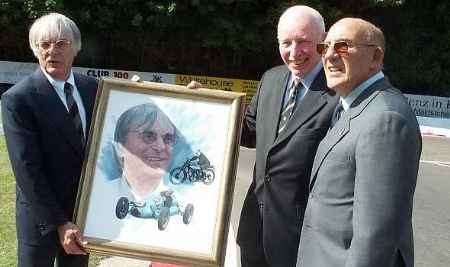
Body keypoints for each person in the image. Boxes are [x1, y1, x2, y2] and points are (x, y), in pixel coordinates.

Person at [188, 5, 339, 267]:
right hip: (254, 230)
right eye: (286, 42)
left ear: (323, 42)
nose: (294, 52)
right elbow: (248, 132)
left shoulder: (337, 93)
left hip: (301, 235)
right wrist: (206, 106)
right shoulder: (271, 78)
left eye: (303, 42)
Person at [296, 18, 422, 267]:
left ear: (375, 58)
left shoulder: (385, 119)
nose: (330, 56)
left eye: (343, 46)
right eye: (325, 47)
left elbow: (375, 239)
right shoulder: (351, 106)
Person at [1, 13, 98, 267]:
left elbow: (131, 115)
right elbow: (26, 170)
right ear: (35, 50)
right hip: (40, 220)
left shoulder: (94, 89)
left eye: (60, 44)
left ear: (75, 48)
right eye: (44, 45)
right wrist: (59, 222)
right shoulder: (18, 99)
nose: (51, 51)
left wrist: (188, 96)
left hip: (81, 214)